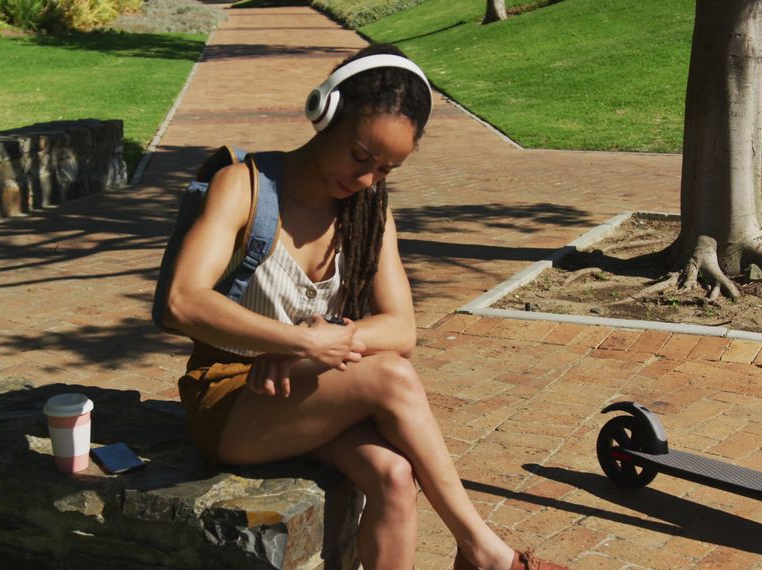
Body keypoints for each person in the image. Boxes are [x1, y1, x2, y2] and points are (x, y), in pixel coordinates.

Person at [164, 43, 559, 570]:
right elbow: (180, 300)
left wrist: (313, 342)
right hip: (231, 398)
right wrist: (300, 339)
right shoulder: (244, 186)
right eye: (360, 156)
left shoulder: (368, 210)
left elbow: (401, 329)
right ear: (324, 114)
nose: (367, 179)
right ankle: (485, 553)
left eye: (387, 169)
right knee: (391, 378)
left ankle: (480, 554)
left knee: (394, 476)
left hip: (306, 385)